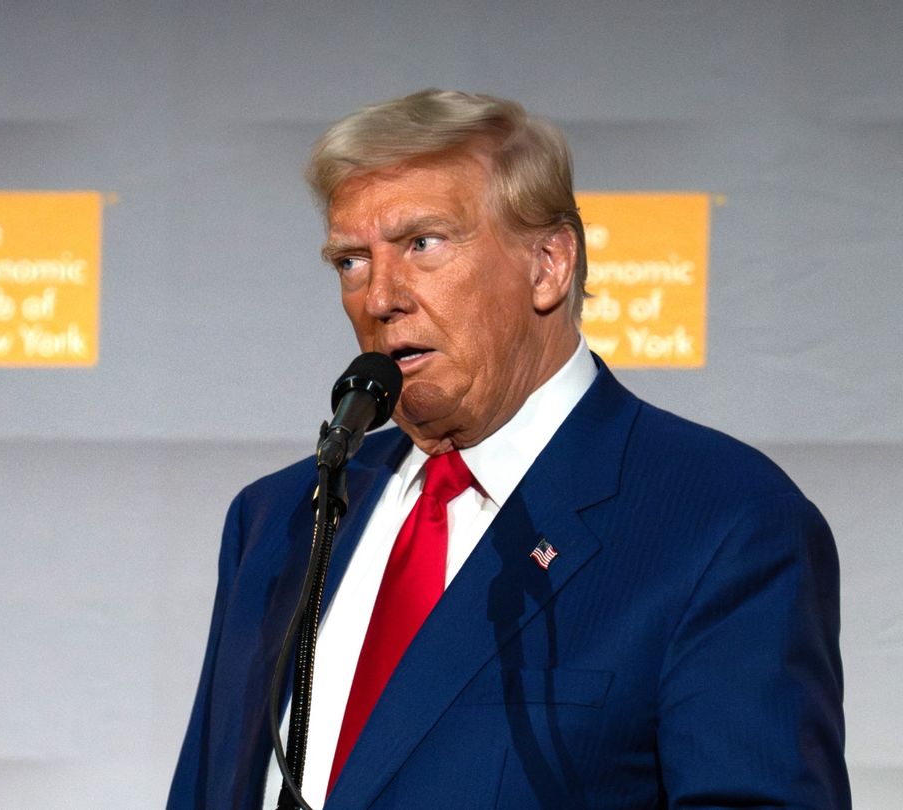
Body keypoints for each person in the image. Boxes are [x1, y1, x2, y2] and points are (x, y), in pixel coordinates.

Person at [168, 89, 849, 809]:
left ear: (549, 264)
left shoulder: (724, 522)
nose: (379, 297)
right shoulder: (278, 519)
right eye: (350, 261)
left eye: (422, 244)